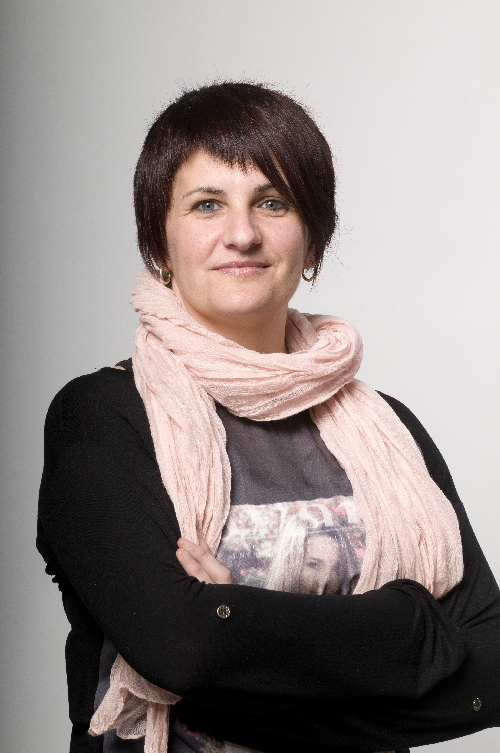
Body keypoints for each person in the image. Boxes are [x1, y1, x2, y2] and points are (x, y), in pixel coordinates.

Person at [37, 82, 500, 753]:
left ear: (312, 241)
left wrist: (242, 642)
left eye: (273, 202)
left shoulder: (387, 427)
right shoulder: (102, 416)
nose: (243, 234)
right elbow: (183, 646)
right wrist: (410, 624)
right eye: (207, 205)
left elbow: (490, 664)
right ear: (159, 245)